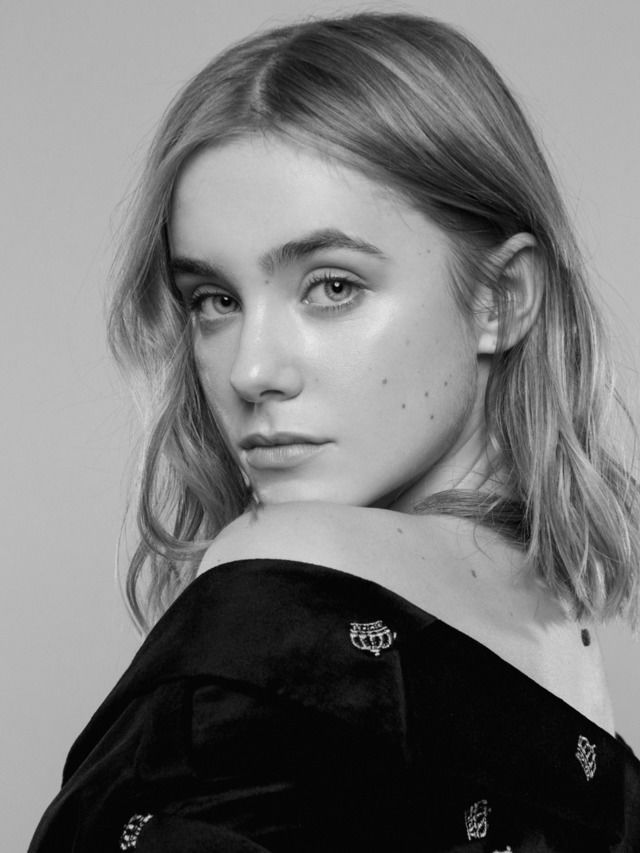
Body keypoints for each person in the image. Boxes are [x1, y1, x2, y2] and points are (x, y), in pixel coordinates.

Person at [29, 11, 640, 852]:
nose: (251, 371)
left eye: (332, 286)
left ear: (501, 298)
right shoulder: (565, 639)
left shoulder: (279, 590)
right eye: (215, 300)